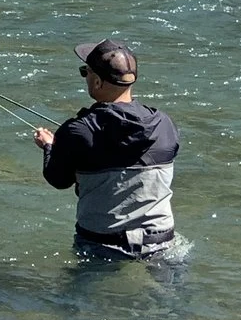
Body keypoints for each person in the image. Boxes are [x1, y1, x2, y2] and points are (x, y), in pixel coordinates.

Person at [31, 38, 180, 258]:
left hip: (102, 245)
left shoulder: (77, 130)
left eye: (86, 72)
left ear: (98, 82)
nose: (86, 77)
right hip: (162, 243)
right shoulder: (164, 124)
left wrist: (49, 146)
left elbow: (58, 179)